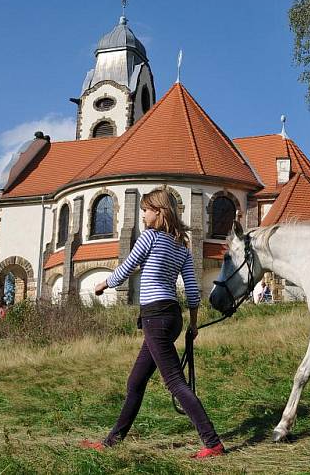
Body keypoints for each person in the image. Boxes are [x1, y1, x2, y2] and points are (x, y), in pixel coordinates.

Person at [81, 189, 225, 458]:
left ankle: (212, 442)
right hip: (172, 317)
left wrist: (103, 283)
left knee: (175, 382)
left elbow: (127, 267)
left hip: (155, 316)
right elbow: (192, 292)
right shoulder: (181, 249)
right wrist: (193, 324)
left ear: (159, 212)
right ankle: (112, 441)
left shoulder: (149, 237)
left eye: (146, 209)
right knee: (135, 382)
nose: (143, 214)